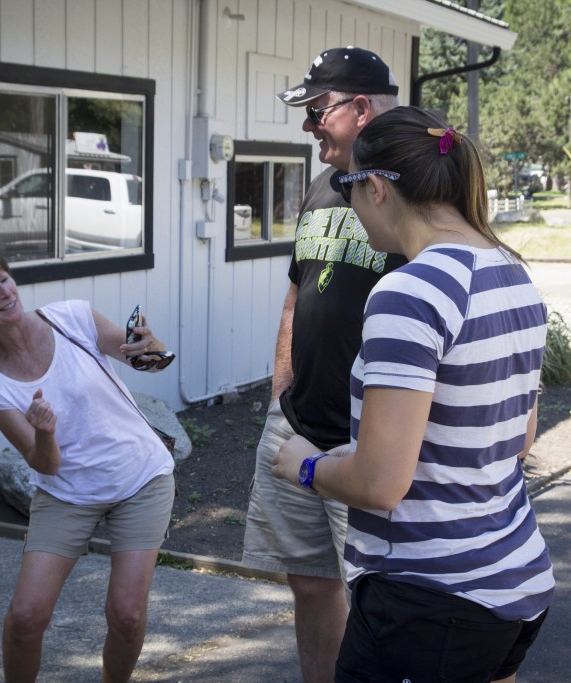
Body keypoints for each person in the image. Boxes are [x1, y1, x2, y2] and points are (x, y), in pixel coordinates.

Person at [272, 106, 555, 682]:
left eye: (349, 192)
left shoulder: (410, 291)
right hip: (516, 581)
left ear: (375, 187)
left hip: (429, 601)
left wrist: (306, 467)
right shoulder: (512, 271)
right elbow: (519, 439)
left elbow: (380, 484)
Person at [241, 46, 407, 682]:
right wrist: (283, 387)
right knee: (309, 587)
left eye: (317, 112)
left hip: (369, 444)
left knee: (382, 603)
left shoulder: (414, 183)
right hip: (296, 425)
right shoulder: (323, 183)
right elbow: (297, 290)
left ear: (359, 108)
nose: (308, 127)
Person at [0, 247, 176, 683]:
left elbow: (143, 358)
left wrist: (153, 348)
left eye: (3, 278)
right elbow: (44, 464)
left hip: (140, 475)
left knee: (125, 613)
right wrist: (45, 432)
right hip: (68, 492)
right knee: (26, 617)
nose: (4, 291)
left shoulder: (71, 317)